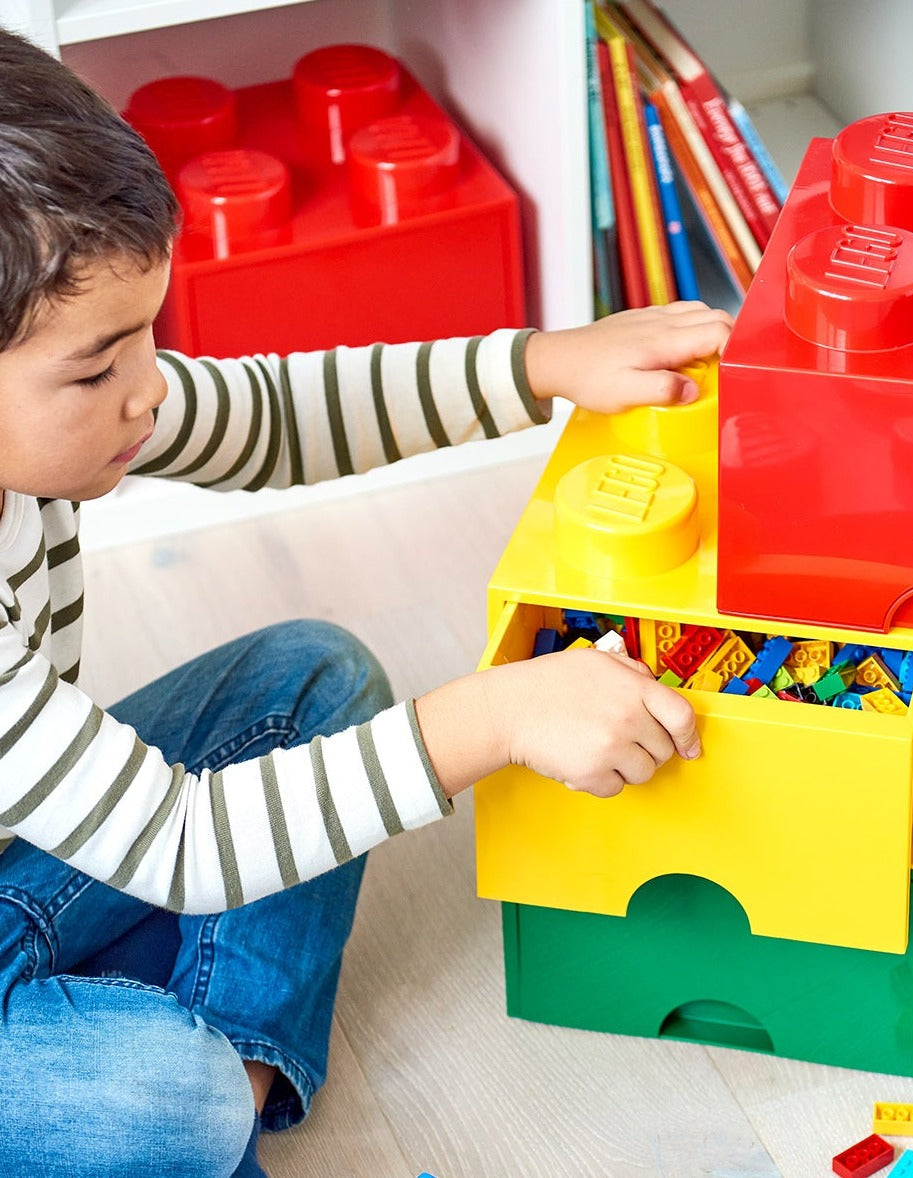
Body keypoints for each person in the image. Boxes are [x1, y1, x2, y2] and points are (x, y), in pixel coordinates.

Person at [0, 26, 732, 1178]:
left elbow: (277, 418)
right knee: (163, 1102)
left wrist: (543, 361)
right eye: (96, 369)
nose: (148, 390)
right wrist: (492, 718)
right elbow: (186, 842)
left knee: (315, 677)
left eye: (148, 334)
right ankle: (183, 1088)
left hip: (23, 862)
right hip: (79, 865)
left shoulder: (78, 404)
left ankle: (214, 1066)